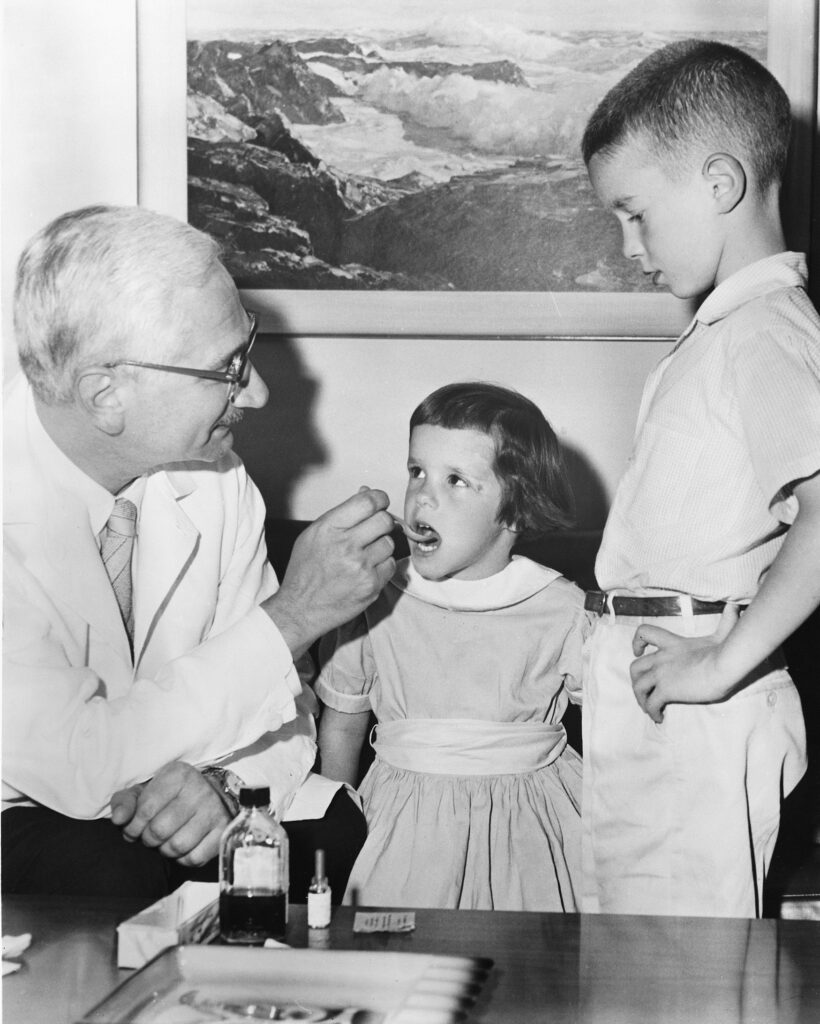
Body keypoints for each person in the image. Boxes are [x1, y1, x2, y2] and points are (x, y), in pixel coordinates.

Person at [2, 204, 397, 899]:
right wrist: (292, 615)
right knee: (103, 868)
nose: (260, 391)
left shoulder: (215, 479)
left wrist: (217, 784)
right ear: (106, 396)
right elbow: (79, 762)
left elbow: (286, 715)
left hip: (160, 783)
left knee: (330, 829)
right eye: (228, 368)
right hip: (27, 807)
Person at [579, 39, 819, 917]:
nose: (627, 242)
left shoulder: (764, 333)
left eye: (635, 212)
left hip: (701, 710)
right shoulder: (726, 332)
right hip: (657, 700)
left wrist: (723, 665)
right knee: (634, 972)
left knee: (686, 985)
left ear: (721, 185)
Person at [315, 382, 588, 910]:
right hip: (403, 822)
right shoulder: (373, 597)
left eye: (456, 480)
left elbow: (611, 734)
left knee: (530, 967)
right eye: (417, 471)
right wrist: (330, 835)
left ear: (515, 510)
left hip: (531, 823)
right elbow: (345, 722)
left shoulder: (562, 608)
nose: (423, 496)